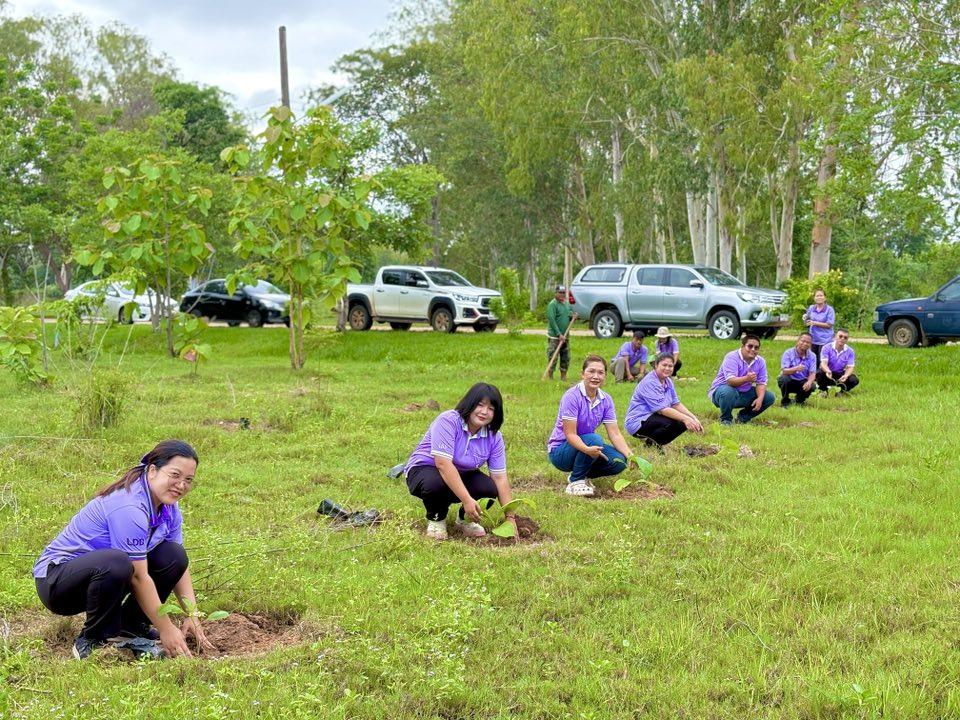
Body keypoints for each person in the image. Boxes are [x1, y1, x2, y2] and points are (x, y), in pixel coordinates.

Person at [33, 440, 212, 660]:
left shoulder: (169, 508)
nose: (181, 485)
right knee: (117, 562)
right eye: (175, 475)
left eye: (188, 480)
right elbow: (138, 577)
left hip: (104, 578)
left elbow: (179, 567)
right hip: (58, 584)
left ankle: (131, 627)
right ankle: (94, 639)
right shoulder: (129, 506)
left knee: (173, 555)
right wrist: (166, 628)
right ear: (153, 470)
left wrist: (192, 614)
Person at [404, 383, 517, 540]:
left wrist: (510, 518)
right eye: (480, 405)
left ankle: (464, 520)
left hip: (461, 474)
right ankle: (437, 519)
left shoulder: (494, 437)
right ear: (470, 404)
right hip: (425, 469)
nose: (484, 412)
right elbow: (442, 464)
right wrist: (467, 499)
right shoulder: (448, 421)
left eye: (491, 408)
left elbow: (500, 478)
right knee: (435, 483)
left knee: (489, 489)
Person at [547, 355, 645, 497]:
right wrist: (587, 450)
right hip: (561, 451)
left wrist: (631, 456)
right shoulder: (572, 396)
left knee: (619, 461)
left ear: (605, 375)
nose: (595, 376)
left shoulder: (606, 400)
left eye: (600, 372)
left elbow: (615, 433)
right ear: (583, 374)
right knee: (595, 440)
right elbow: (570, 434)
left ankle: (581, 474)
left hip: (586, 445)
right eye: (591, 371)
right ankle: (575, 481)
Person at [625, 352, 703, 448]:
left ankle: (655, 443)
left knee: (682, 422)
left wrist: (693, 418)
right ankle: (652, 445)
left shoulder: (668, 381)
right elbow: (663, 410)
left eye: (670, 366)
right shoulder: (650, 382)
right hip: (637, 421)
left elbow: (676, 404)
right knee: (674, 422)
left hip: (652, 416)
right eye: (664, 365)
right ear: (656, 365)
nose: (667, 368)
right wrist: (686, 419)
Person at [707, 334, 776, 425]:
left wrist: (760, 398)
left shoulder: (760, 361)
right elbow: (730, 381)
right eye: (750, 346)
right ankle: (726, 420)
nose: (753, 349)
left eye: (756, 348)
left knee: (769, 397)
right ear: (742, 346)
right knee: (728, 391)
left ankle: (742, 418)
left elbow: (761, 383)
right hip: (722, 393)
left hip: (743, 393)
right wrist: (747, 379)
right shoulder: (731, 357)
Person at [777, 332, 817, 406]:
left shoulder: (812, 356)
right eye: (803, 341)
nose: (805, 344)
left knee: (812, 386)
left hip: (802, 382)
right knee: (784, 379)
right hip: (789, 381)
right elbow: (784, 371)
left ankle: (799, 401)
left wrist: (809, 382)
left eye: (808, 342)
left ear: (810, 344)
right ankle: (785, 401)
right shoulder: (788, 353)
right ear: (798, 341)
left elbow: (812, 373)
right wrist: (796, 369)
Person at [817, 328, 859, 395]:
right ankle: (823, 390)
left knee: (854, 380)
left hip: (840, 374)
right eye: (840, 336)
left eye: (845, 337)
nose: (842, 339)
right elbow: (823, 363)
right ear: (835, 337)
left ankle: (841, 391)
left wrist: (846, 375)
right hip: (828, 373)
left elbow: (850, 367)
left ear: (847, 340)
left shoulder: (850, 351)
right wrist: (827, 371)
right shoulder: (826, 347)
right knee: (819, 373)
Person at [546, 285, 573, 381]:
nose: (562, 295)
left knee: (565, 356)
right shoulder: (552, 304)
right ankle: (550, 376)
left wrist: (573, 316)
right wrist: (558, 334)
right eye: (560, 293)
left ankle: (563, 376)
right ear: (556, 293)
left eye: (563, 293)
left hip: (565, 336)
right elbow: (552, 320)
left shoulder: (566, 303)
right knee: (553, 356)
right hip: (555, 336)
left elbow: (569, 313)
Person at [804, 289, 836, 358]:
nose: (819, 297)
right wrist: (805, 319)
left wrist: (814, 323)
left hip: (825, 340)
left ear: (825, 298)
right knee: (813, 360)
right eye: (817, 296)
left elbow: (829, 325)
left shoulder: (829, 309)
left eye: (821, 295)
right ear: (814, 298)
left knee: (822, 361)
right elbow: (807, 321)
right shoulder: (811, 308)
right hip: (813, 339)